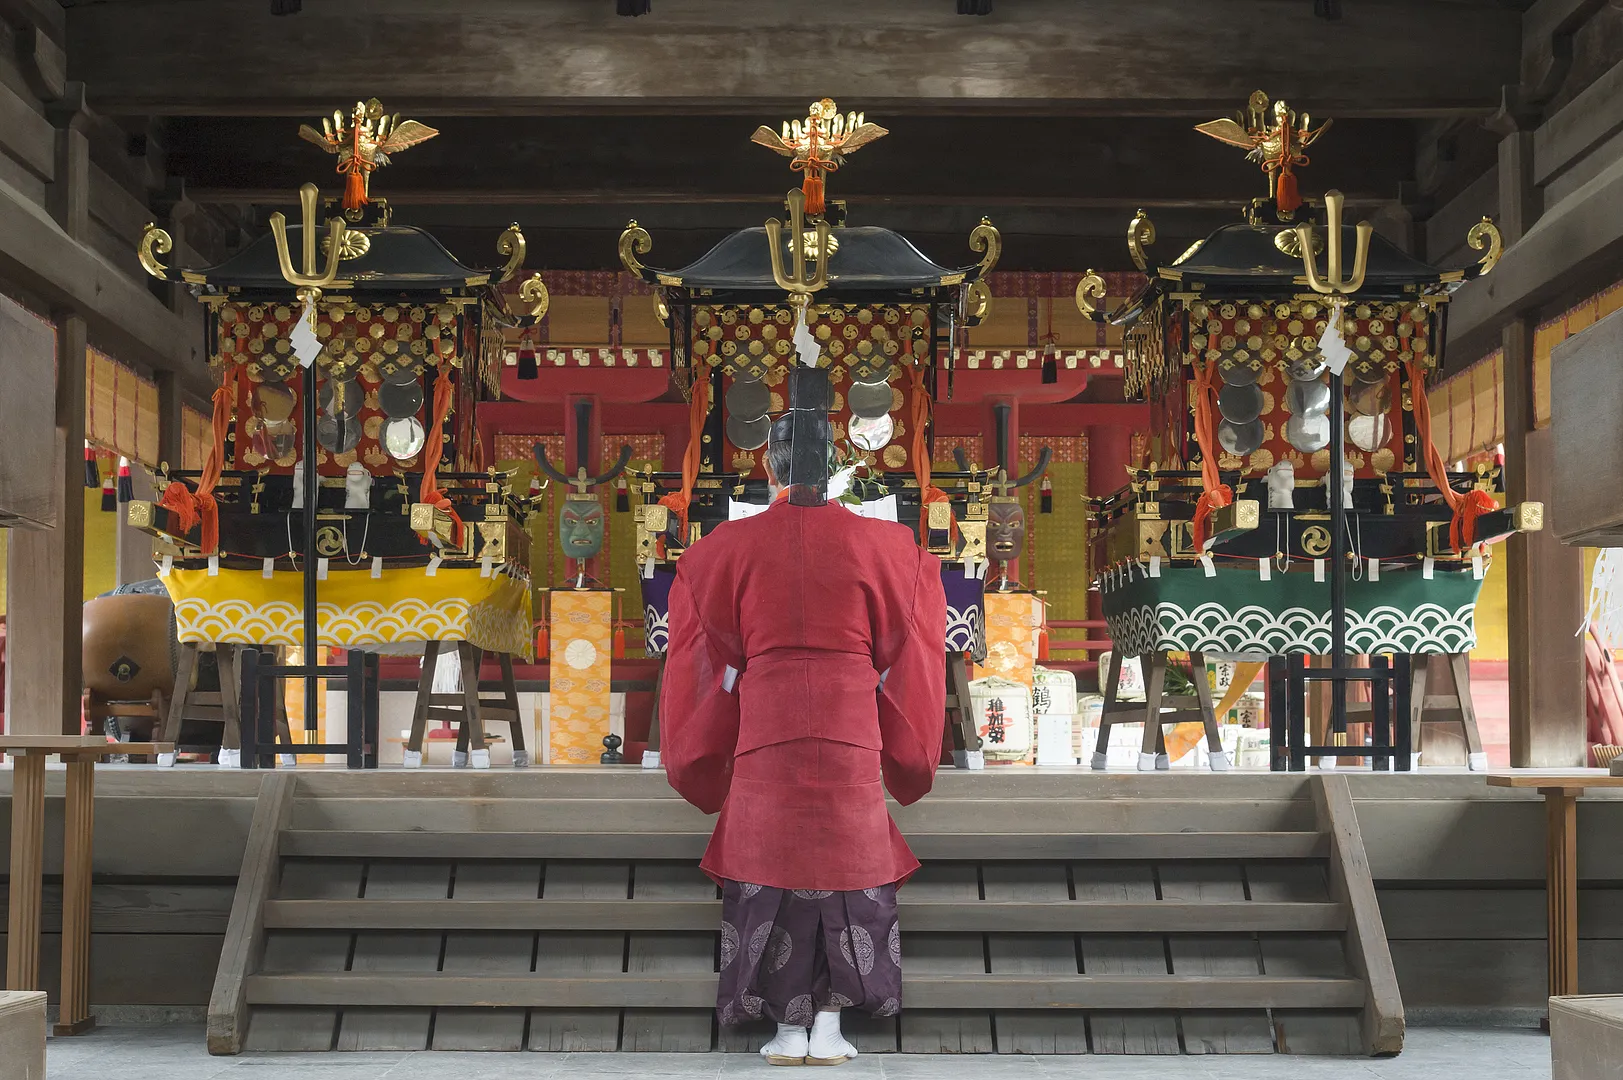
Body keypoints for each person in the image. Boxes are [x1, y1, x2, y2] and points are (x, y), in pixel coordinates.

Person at [660, 386, 947, 1067]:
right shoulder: (886, 545)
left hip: (768, 717)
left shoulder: (725, 547)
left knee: (772, 867)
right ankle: (827, 1025)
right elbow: (907, 642)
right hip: (849, 719)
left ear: (771, 469)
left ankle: (785, 1030)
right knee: (845, 869)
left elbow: (711, 647)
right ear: (840, 467)